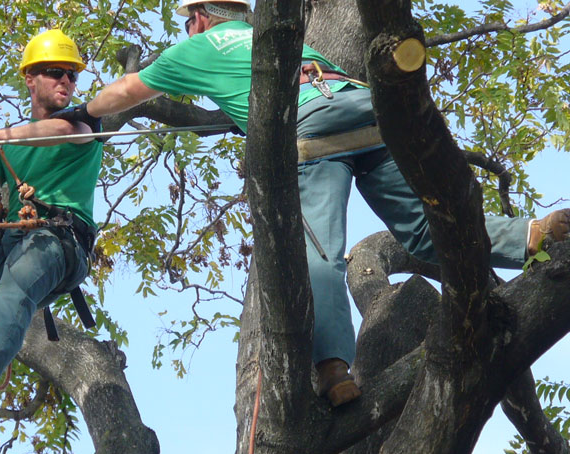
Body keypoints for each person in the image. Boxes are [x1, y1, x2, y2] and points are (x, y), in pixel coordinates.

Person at [48, 0, 570, 407]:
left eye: (187, 21)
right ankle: (531, 234)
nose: (187, 29)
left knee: (319, 254)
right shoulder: (268, 39)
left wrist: (85, 114)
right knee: (422, 231)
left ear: (200, 18)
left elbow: (125, 91)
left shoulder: (195, 49)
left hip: (312, 133)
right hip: (368, 110)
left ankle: (334, 368)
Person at [0, 28, 103, 384]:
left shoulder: (83, 122)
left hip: (58, 241)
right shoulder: (11, 146)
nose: (66, 80)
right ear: (30, 79)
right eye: (55, 72)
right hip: (11, 242)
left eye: (72, 74)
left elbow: (60, 133)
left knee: (13, 288)